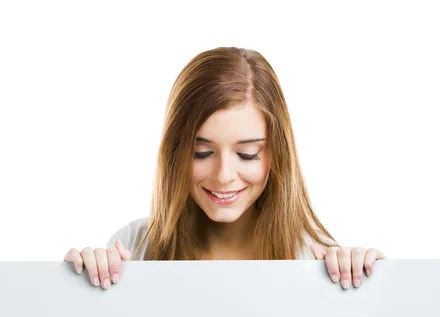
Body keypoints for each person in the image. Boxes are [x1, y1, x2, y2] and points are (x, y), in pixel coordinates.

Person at [64, 46, 385, 290]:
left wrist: (370, 284)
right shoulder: (134, 246)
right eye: (201, 152)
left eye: (247, 154)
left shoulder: (316, 258)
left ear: (276, 155)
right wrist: (77, 287)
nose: (223, 175)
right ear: (174, 153)